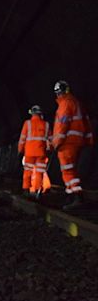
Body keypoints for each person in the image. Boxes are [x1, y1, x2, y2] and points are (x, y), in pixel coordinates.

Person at [52, 80, 94, 210]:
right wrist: (87, 140)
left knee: (68, 171)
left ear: (59, 92)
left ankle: (77, 197)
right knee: (71, 170)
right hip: (77, 142)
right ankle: (71, 196)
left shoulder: (65, 103)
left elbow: (62, 124)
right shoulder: (77, 102)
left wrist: (56, 143)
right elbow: (86, 122)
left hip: (67, 143)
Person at [17, 105, 51, 197]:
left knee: (28, 171)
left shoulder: (27, 123)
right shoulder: (46, 125)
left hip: (29, 152)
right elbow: (49, 139)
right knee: (40, 171)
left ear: (32, 113)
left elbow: (22, 139)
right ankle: (37, 191)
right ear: (41, 114)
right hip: (41, 153)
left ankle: (26, 190)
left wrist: (20, 150)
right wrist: (49, 149)